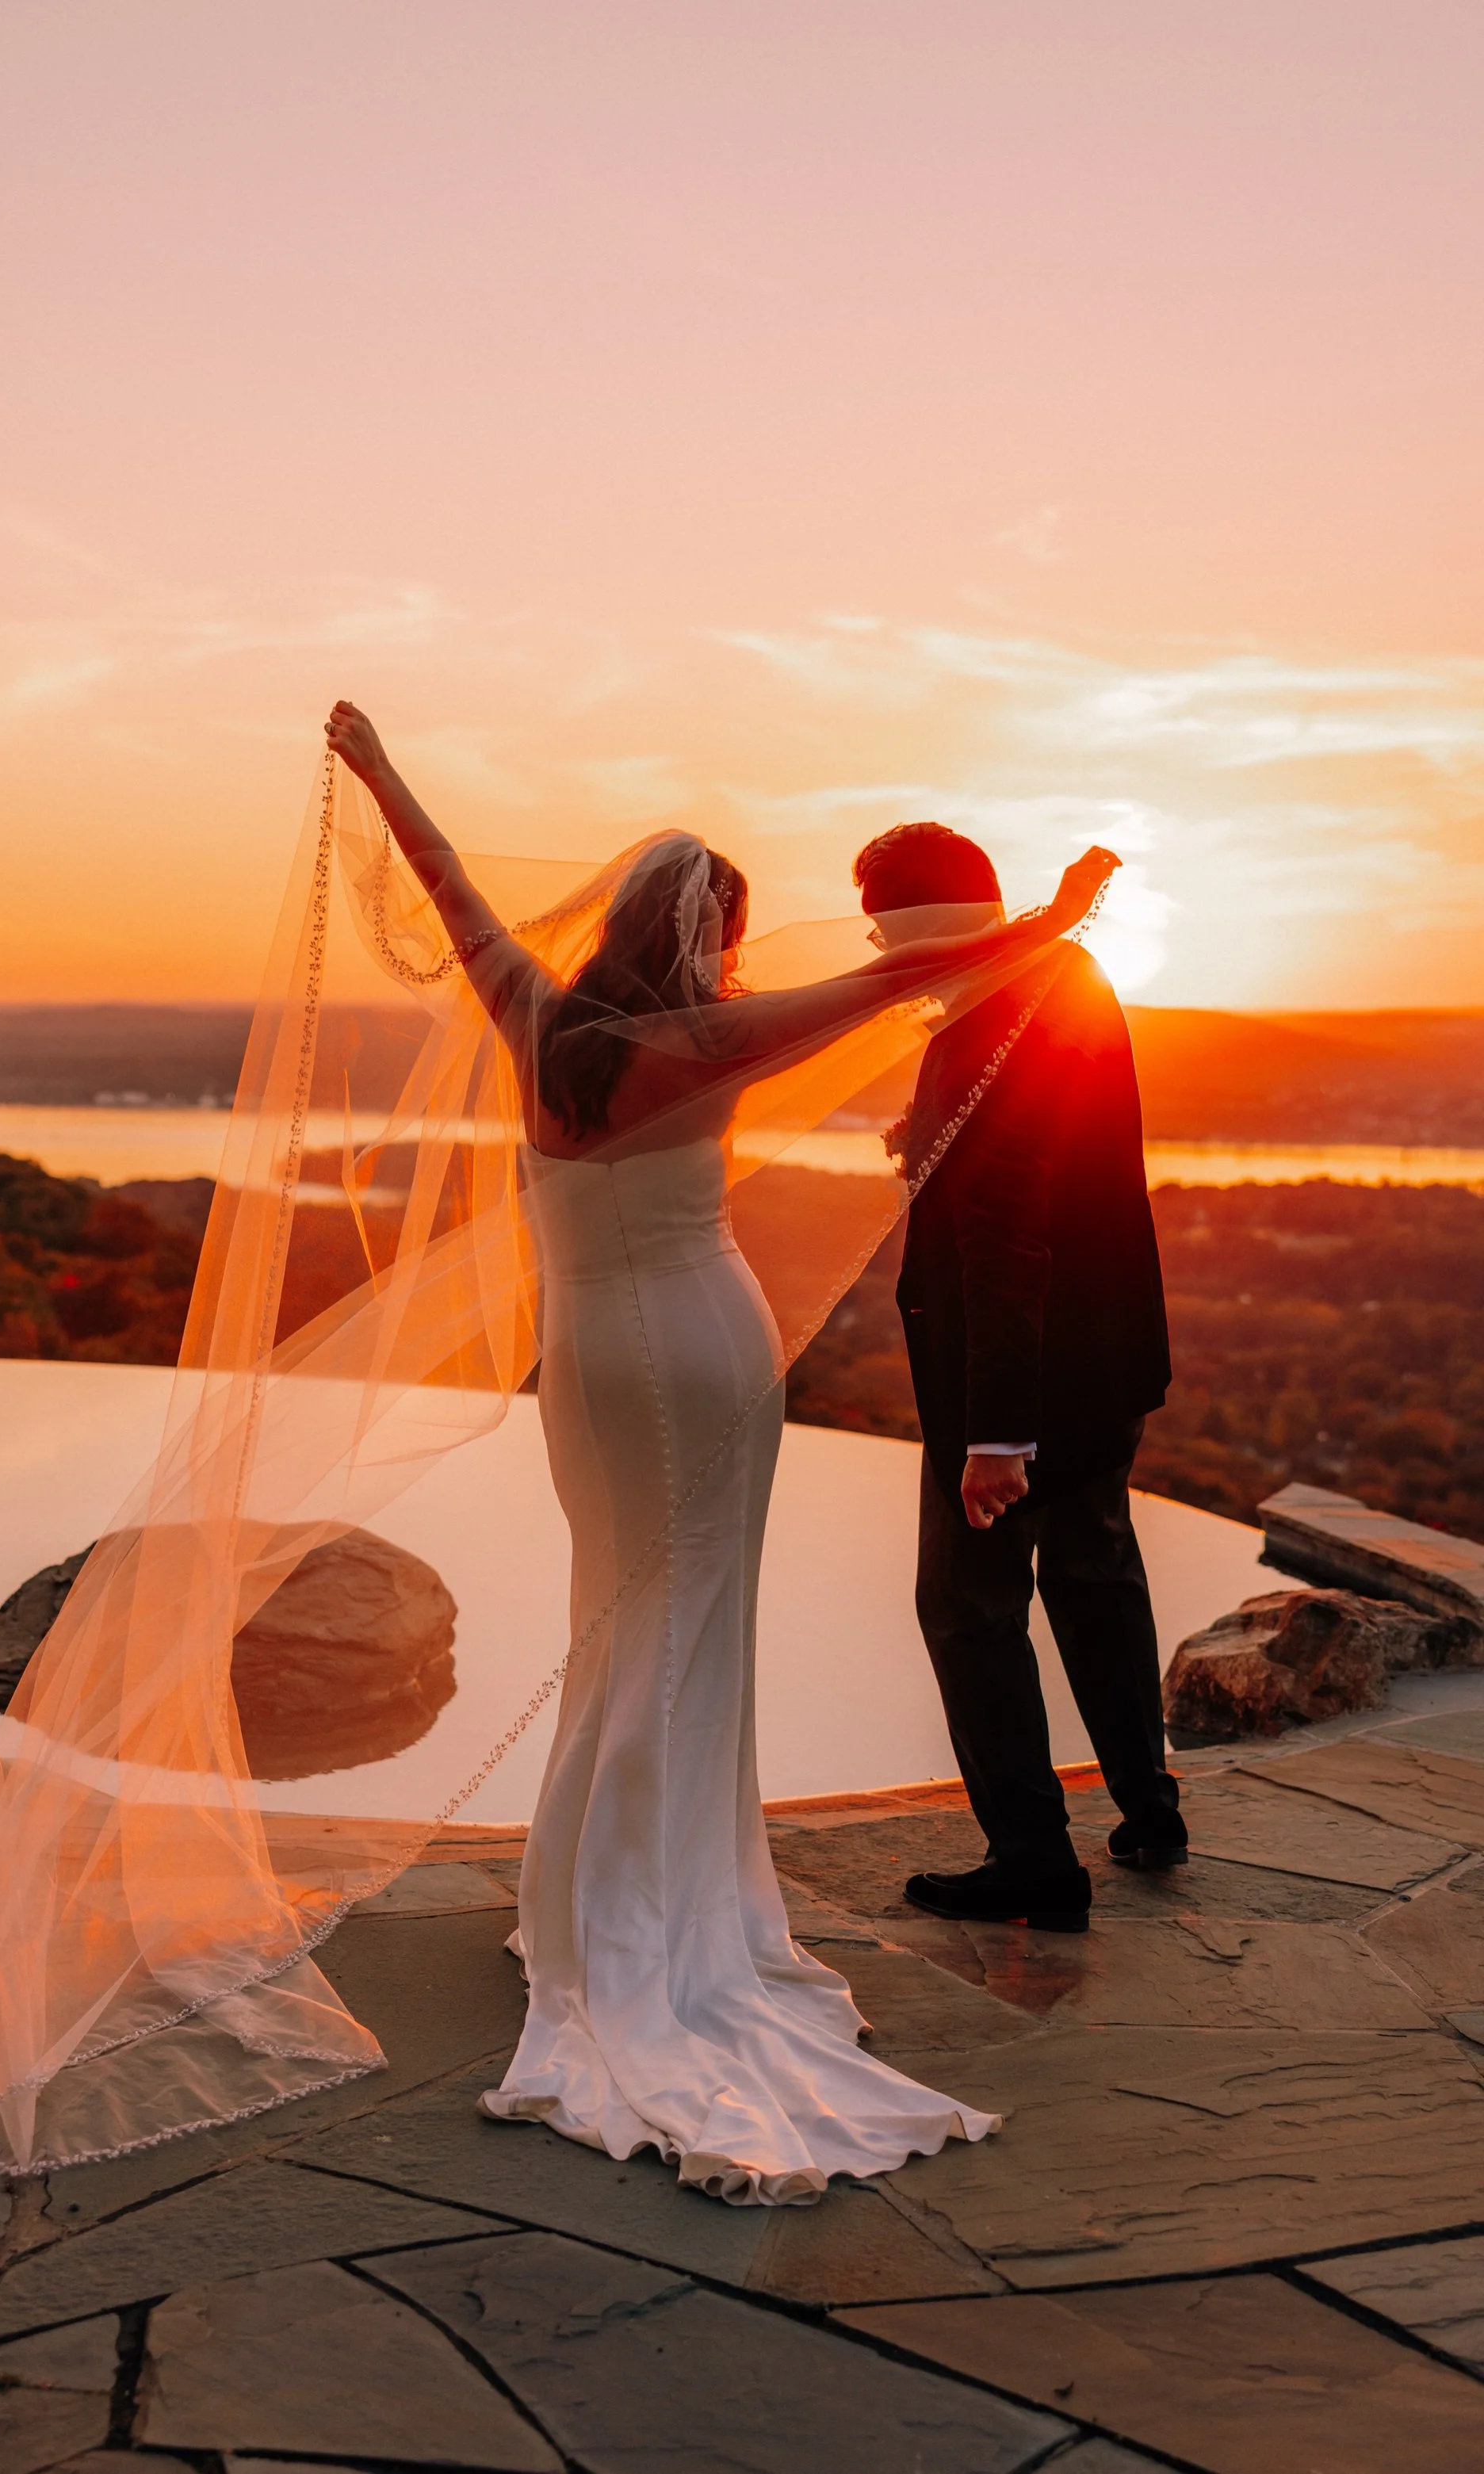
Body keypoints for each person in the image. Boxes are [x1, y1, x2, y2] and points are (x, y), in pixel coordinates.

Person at [324, 704, 1116, 2203]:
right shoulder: (714, 1036)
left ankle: (594, 1893)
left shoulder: (533, 1013)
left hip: (591, 1371)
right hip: (702, 1347)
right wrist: (1057, 920)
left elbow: (446, 884)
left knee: (615, 1608)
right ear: (709, 939)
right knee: (690, 1627)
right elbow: (910, 973)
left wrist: (375, 768)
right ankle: (661, 1921)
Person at [852, 821, 1181, 1937]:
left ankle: (1034, 1858)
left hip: (1015, 1377)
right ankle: (1150, 1810)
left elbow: (1005, 1236)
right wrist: (929, 1133)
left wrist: (996, 1435)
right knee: (1096, 1577)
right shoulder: (1069, 975)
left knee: (967, 1606)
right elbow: (1054, 1152)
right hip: (1108, 1356)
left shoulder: (994, 1009)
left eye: (883, 929)